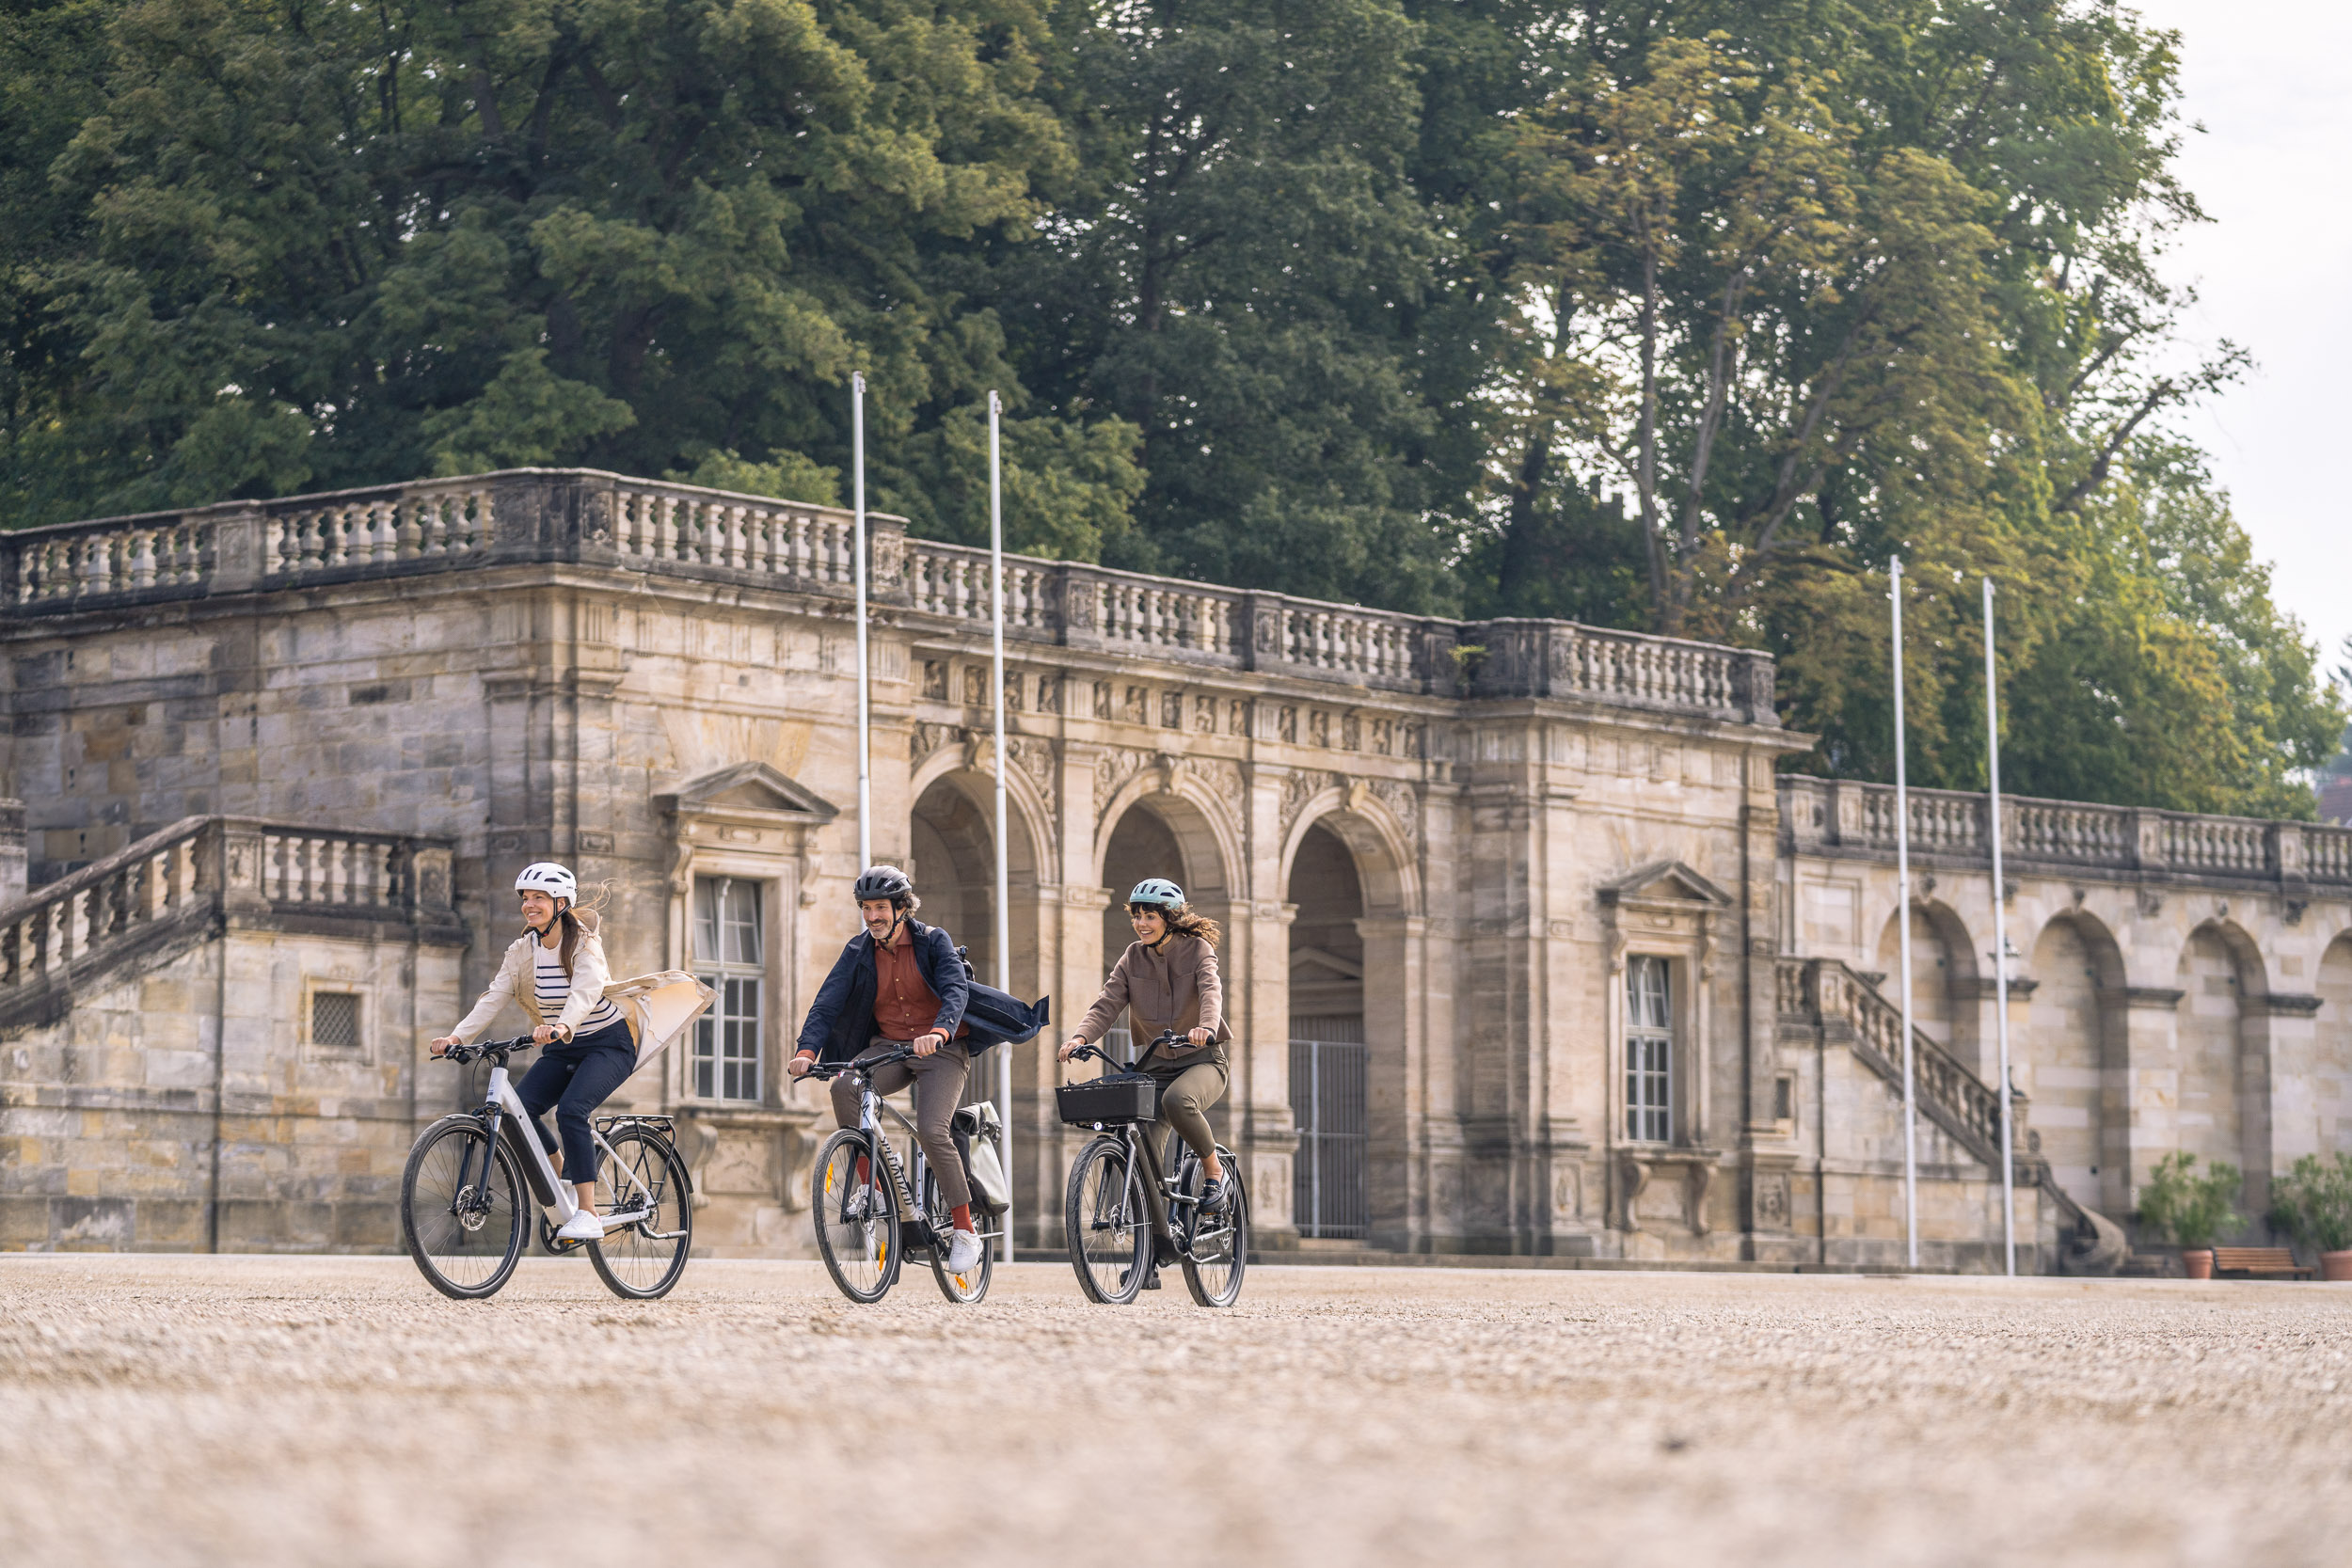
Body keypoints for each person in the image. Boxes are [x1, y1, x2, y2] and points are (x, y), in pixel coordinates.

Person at [790, 865, 986, 1275]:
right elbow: (827, 1003)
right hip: (888, 1048)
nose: (872, 916)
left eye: (880, 907)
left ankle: (966, 1230)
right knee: (845, 1086)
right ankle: (872, 1190)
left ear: (902, 909)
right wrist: (807, 1050)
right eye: (866, 908)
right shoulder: (858, 950)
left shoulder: (933, 941)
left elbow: (955, 989)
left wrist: (940, 1030)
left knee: (933, 1129)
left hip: (941, 1051)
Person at [430, 863, 633, 1243]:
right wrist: (457, 1036)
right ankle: (565, 1182)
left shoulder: (586, 943)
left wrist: (561, 1025)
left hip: (607, 1042)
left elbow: (586, 993)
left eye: (539, 898)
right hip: (561, 1045)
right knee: (517, 1110)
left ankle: (588, 1213)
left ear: (560, 902)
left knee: (573, 1109)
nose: (529, 905)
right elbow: (495, 996)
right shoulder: (523, 950)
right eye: (526, 898)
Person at [1061, 878, 1233, 1226]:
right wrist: (1081, 1037)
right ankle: (1151, 1254)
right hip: (1155, 1067)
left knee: (1178, 1101)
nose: (1141, 923)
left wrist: (1206, 1027)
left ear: (1169, 918)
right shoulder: (1132, 957)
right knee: (1144, 1158)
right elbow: (1107, 1003)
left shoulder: (1197, 949)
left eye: (1150, 916)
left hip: (1202, 1061)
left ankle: (1214, 1171)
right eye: (1137, 916)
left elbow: (1211, 990)